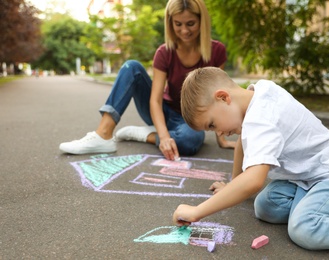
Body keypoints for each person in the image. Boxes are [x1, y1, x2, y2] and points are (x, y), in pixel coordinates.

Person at [173, 67, 329, 259]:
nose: (218, 132)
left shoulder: (262, 117)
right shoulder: (258, 93)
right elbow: (242, 141)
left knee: (303, 228)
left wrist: (197, 212)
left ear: (223, 97)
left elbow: (254, 181)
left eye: (212, 124)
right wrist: (232, 184)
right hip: (307, 178)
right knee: (265, 206)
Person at [59, 0, 235, 160]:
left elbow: (216, 98)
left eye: (191, 24)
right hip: (162, 111)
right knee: (131, 67)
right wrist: (165, 137)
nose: (184, 30)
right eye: (178, 24)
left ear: (202, 22)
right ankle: (103, 134)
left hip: (191, 119)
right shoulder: (164, 52)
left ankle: (146, 135)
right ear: (170, 23)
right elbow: (155, 100)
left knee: (190, 142)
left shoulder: (216, 51)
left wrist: (222, 140)